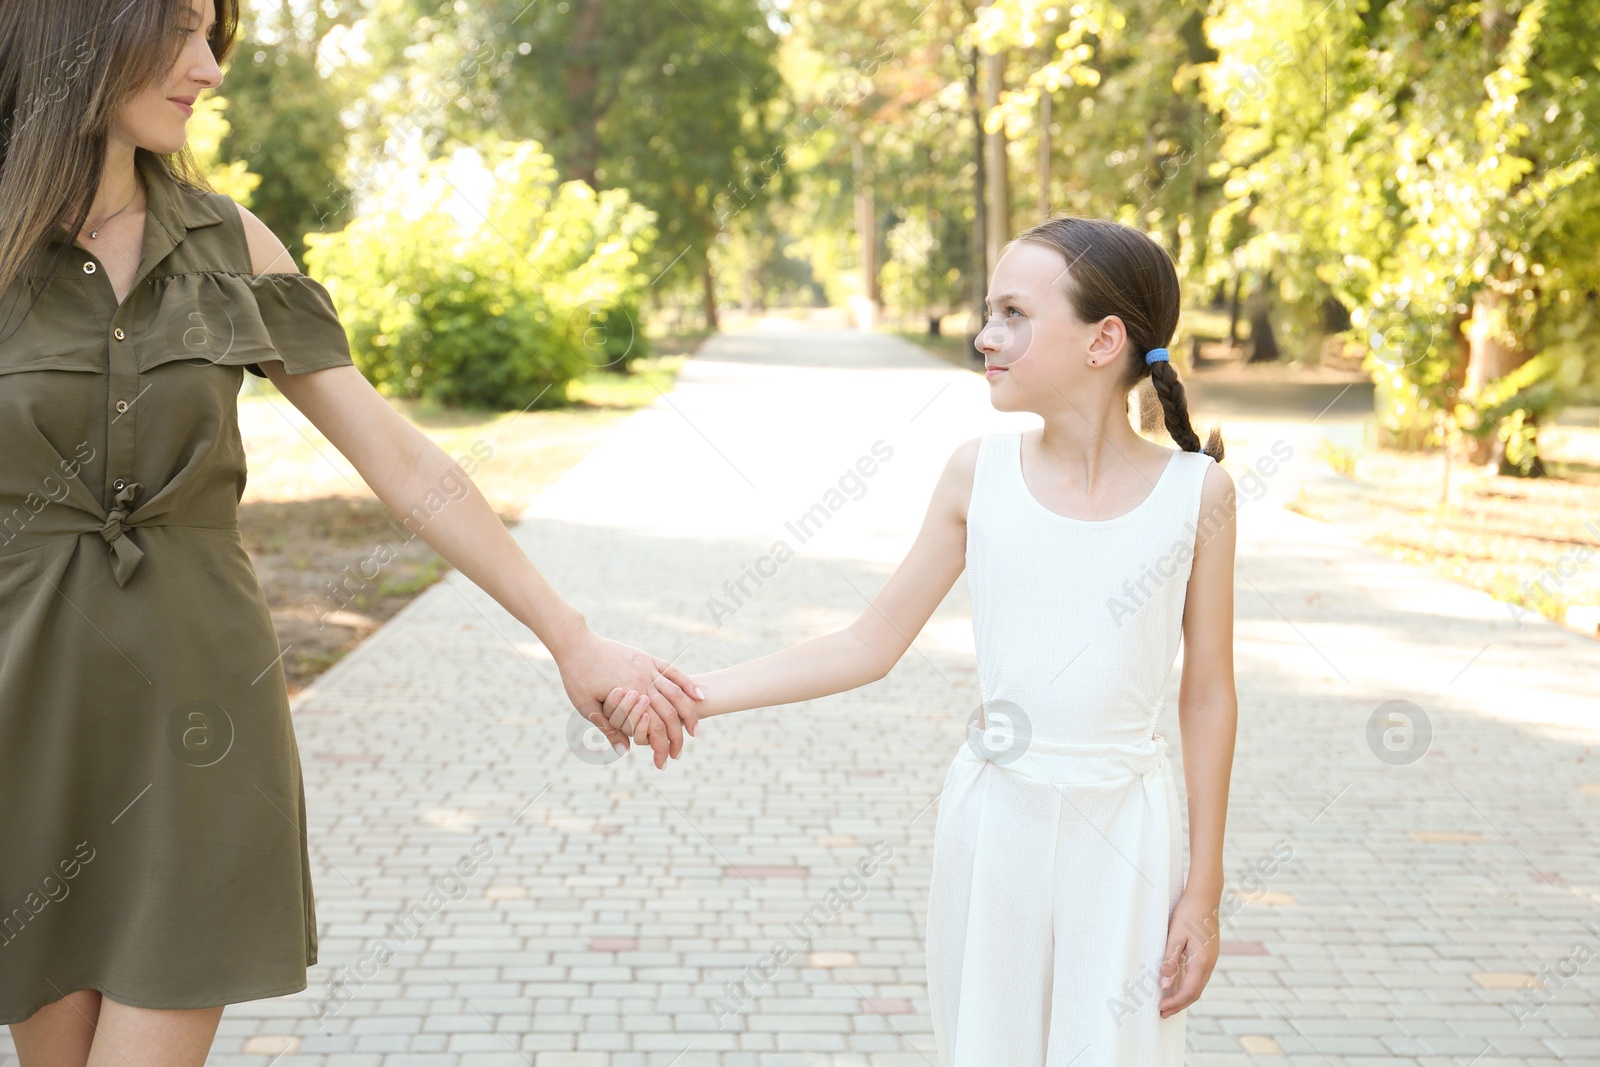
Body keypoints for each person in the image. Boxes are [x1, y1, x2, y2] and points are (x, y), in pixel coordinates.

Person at [0, 1, 701, 1062]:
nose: (208, 68)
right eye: (182, 34)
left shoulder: (230, 241)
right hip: (23, 714)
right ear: (83, 34)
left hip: (197, 720)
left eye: (212, 37)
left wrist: (572, 636)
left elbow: (405, 461)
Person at [611, 217, 1240, 1063]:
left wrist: (1204, 883)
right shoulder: (976, 474)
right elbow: (869, 640)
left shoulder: (1197, 495)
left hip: (1129, 834)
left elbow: (1207, 693)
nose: (986, 335)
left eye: (1014, 313)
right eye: (990, 310)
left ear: (1105, 340)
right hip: (997, 826)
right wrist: (694, 695)